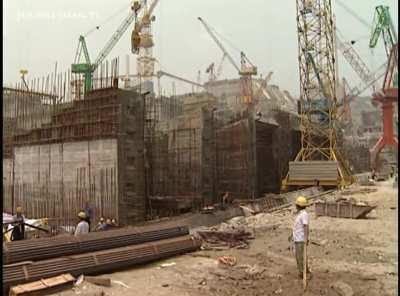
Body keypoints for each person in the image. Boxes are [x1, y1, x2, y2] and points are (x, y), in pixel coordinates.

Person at [292, 196, 312, 279]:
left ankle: (304, 273)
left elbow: (305, 226)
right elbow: (298, 226)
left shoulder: (304, 214)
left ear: (298, 205)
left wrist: (306, 238)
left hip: (301, 239)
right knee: (298, 257)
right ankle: (303, 272)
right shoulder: (300, 214)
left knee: (301, 258)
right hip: (297, 239)